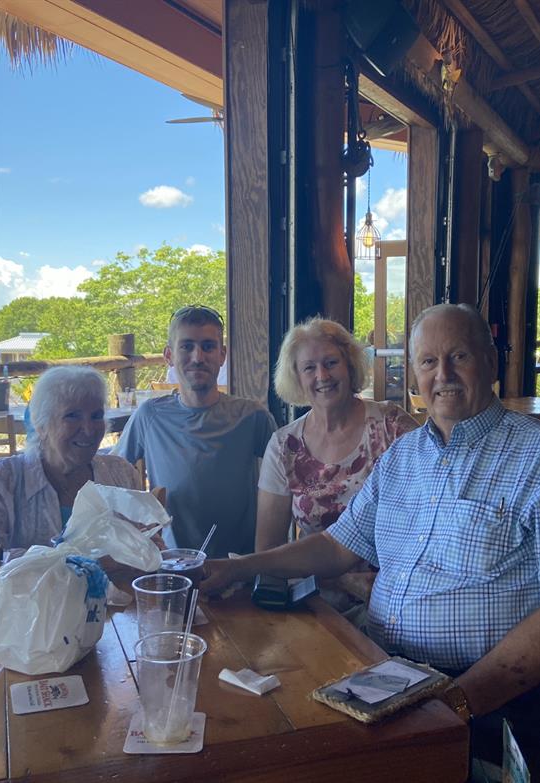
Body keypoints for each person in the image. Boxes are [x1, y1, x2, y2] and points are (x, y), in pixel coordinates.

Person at [201, 303, 540, 774]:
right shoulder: (403, 455)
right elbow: (338, 545)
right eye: (427, 362)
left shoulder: (532, 454)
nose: (442, 374)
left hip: (486, 697)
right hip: (380, 673)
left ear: (490, 361)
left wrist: (461, 700)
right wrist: (238, 567)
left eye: (458, 357)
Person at [256, 317, 416, 620]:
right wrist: (341, 580)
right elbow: (268, 550)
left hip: (397, 599)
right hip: (316, 604)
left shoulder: (392, 425)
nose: (322, 375)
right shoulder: (283, 446)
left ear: (350, 366)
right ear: (297, 378)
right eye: (309, 368)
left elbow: (430, 518)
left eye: (331, 362)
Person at [114, 305, 276, 557]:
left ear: (222, 355)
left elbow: (286, 481)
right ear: (169, 355)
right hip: (173, 562)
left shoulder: (252, 417)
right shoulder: (149, 416)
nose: (198, 357)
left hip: (241, 564)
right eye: (186, 346)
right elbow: (112, 476)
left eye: (208, 346)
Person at [0, 366, 141, 558]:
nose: (89, 429)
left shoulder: (121, 474)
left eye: (96, 416)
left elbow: (140, 550)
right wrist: (85, 563)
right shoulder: (4, 480)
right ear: (42, 425)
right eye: (72, 415)